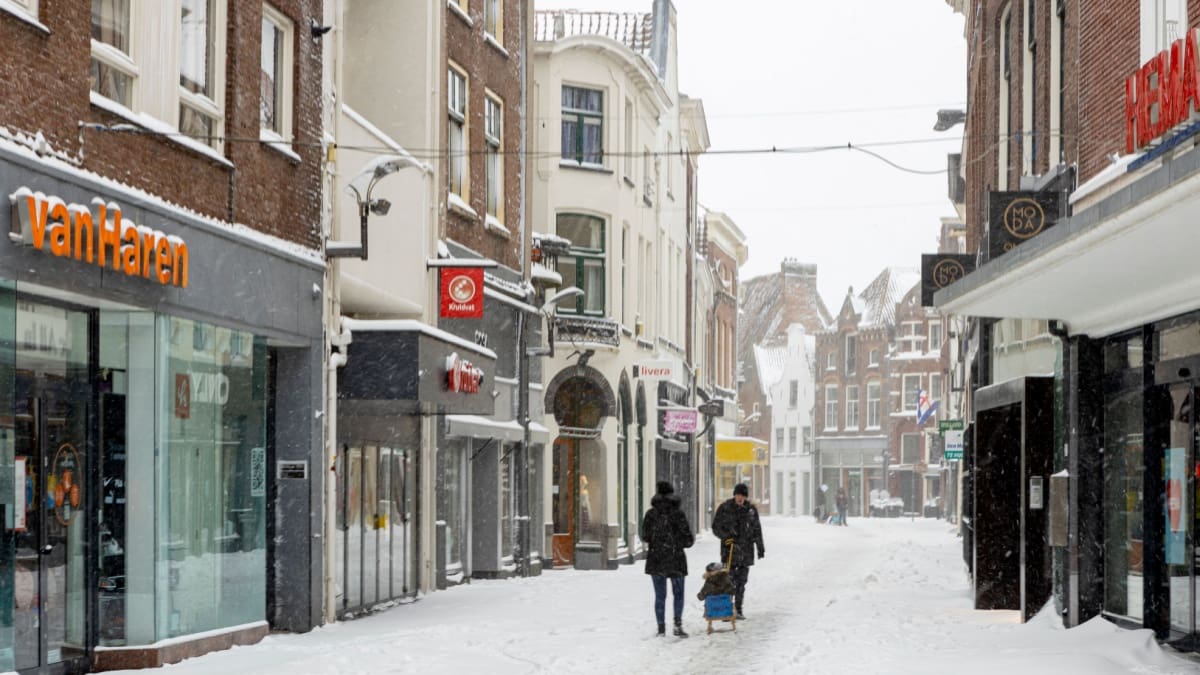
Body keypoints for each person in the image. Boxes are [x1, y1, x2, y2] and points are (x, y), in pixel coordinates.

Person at [641, 480, 694, 637]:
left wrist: (658, 542)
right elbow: (688, 540)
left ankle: (661, 628)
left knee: (660, 595)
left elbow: (645, 536)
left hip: (656, 559)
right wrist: (676, 543)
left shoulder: (651, 514)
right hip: (676, 559)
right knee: (678, 593)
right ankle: (677, 624)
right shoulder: (678, 514)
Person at [711, 483, 764, 620]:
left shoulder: (751, 510)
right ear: (734, 495)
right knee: (729, 582)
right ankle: (727, 610)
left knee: (741, 582)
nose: (740, 498)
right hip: (729, 551)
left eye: (742, 496)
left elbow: (757, 529)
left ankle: (738, 609)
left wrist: (760, 547)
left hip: (745, 551)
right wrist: (726, 536)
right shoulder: (725, 508)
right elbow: (716, 527)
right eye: (738, 495)